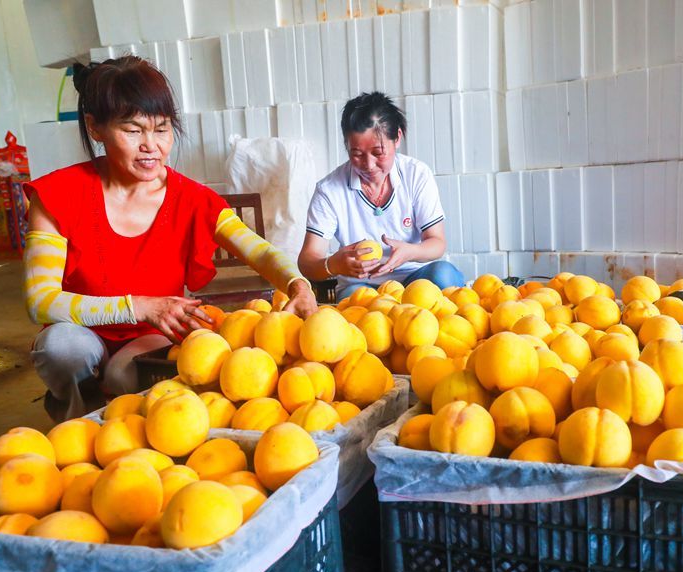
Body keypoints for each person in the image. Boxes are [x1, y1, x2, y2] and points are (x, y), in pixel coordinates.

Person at [23, 57, 317, 421]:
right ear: (95, 128)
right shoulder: (58, 195)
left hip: (150, 334)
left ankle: (110, 418)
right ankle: (73, 421)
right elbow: (41, 301)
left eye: (161, 129)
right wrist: (140, 305)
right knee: (62, 349)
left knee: (124, 379)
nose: (151, 146)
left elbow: (258, 250)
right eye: (132, 130)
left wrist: (297, 283)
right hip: (81, 331)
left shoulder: (191, 198)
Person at [298, 92, 465, 301]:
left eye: (378, 153)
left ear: (397, 138)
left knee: (444, 275)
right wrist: (333, 264)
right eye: (356, 154)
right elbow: (307, 261)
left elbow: (437, 243)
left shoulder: (416, 174)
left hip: (414, 278)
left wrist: (410, 252)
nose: (368, 165)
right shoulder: (329, 190)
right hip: (361, 285)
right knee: (357, 304)